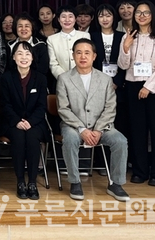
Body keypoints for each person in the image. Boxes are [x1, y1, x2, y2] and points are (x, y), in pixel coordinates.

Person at [56, 38, 130, 202]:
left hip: (101, 127)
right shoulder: (64, 78)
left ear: (94, 56)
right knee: (70, 140)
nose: (83, 56)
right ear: (73, 56)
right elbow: (63, 108)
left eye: (87, 53)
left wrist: (98, 130)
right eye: (79, 53)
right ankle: (75, 181)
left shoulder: (105, 79)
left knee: (120, 141)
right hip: (74, 126)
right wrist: (82, 129)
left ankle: (116, 184)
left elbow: (110, 108)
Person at [118, 0, 155, 186]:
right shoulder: (128, 35)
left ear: (152, 15)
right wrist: (126, 47)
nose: (141, 16)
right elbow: (123, 65)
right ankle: (140, 171)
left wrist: (149, 87)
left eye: (146, 12)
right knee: (137, 130)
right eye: (138, 12)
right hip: (133, 86)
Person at [0, 41, 47, 200]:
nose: (24, 57)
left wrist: (30, 122)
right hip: (12, 122)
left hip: (35, 122)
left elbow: (41, 106)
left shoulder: (40, 78)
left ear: (32, 58)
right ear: (13, 57)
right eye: (19, 53)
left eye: (27, 54)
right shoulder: (6, 78)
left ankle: (32, 182)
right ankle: (20, 181)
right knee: (18, 138)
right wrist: (17, 121)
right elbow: (5, 105)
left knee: (33, 138)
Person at [90, 4, 127, 139]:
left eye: (108, 15)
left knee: (121, 122)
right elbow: (89, 62)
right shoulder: (91, 37)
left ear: (114, 17)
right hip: (97, 85)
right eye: (101, 16)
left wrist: (116, 82)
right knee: (99, 122)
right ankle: (101, 153)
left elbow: (127, 60)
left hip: (119, 86)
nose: (104, 19)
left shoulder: (122, 36)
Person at [47, 5, 90, 93]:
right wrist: (65, 79)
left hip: (83, 80)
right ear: (58, 19)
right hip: (61, 82)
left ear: (75, 19)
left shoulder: (85, 36)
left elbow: (88, 58)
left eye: (70, 16)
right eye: (63, 17)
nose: (67, 20)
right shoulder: (52, 39)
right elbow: (53, 64)